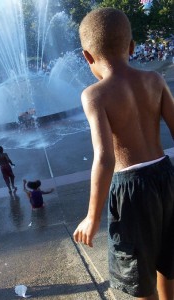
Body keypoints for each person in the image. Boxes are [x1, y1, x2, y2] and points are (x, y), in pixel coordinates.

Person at [73, 7, 174, 300]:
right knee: (168, 265)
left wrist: (92, 217)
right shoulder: (154, 80)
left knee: (139, 278)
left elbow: (104, 158)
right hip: (166, 177)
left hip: (130, 191)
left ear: (87, 57)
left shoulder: (94, 95)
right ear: (131, 46)